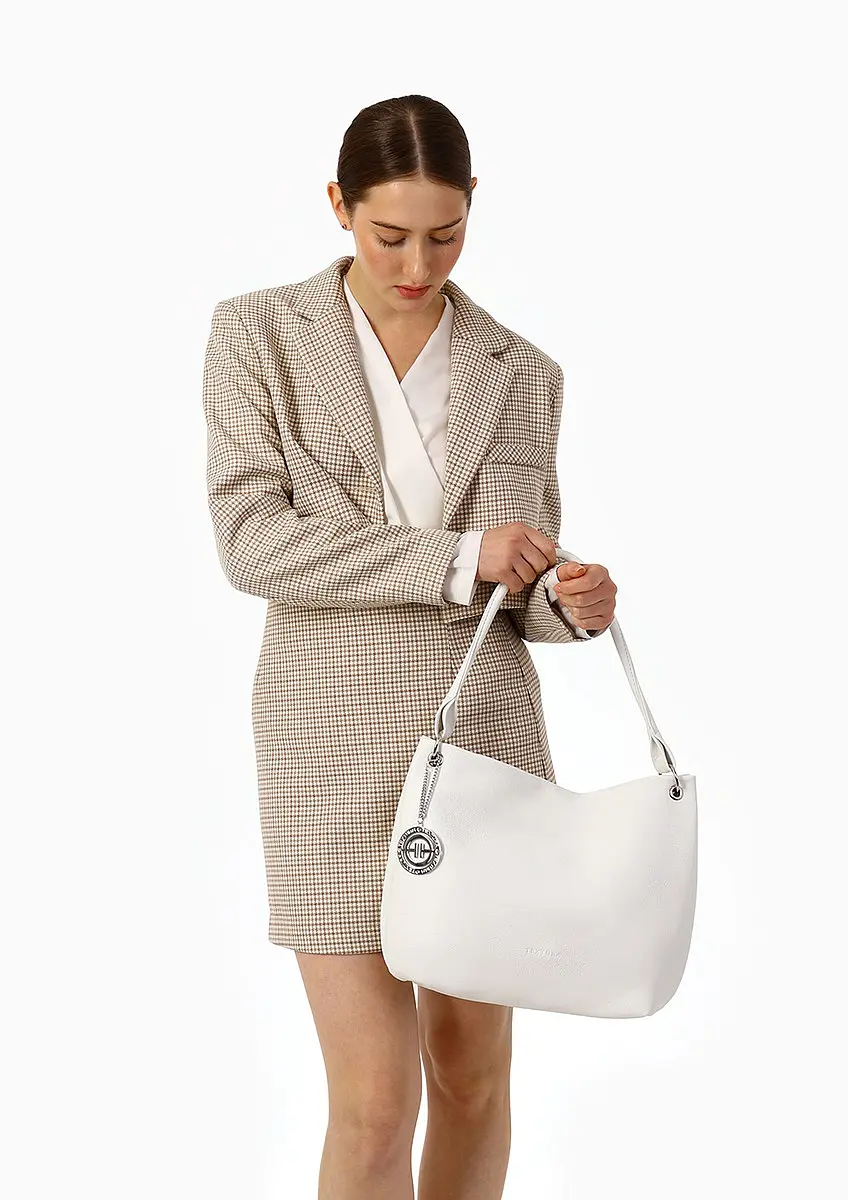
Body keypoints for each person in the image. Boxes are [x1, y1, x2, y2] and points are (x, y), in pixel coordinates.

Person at [202, 93, 617, 1200]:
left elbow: (515, 589)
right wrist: (461, 556)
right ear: (338, 206)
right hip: (328, 745)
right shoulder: (258, 336)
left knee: (472, 1080)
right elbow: (253, 541)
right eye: (390, 235)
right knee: (375, 1104)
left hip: (485, 748)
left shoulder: (521, 370)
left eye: (446, 234)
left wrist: (570, 600)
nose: (418, 265)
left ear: (474, 204)